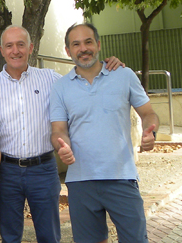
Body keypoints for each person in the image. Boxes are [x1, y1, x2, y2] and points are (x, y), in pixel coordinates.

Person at [0, 25, 124, 243]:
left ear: (31, 47)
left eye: (21, 44)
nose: (15, 51)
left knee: (49, 235)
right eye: (9, 46)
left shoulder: (51, 79)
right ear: (1, 50)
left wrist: (108, 65)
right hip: (6, 171)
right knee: (9, 235)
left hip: (43, 170)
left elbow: (82, 79)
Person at [51, 23, 159, 243]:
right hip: (81, 182)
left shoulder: (124, 75)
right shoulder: (60, 87)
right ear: (68, 50)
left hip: (122, 178)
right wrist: (62, 146)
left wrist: (151, 131)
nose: (83, 48)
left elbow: (148, 113)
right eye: (76, 44)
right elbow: (59, 130)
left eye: (88, 42)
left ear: (98, 45)